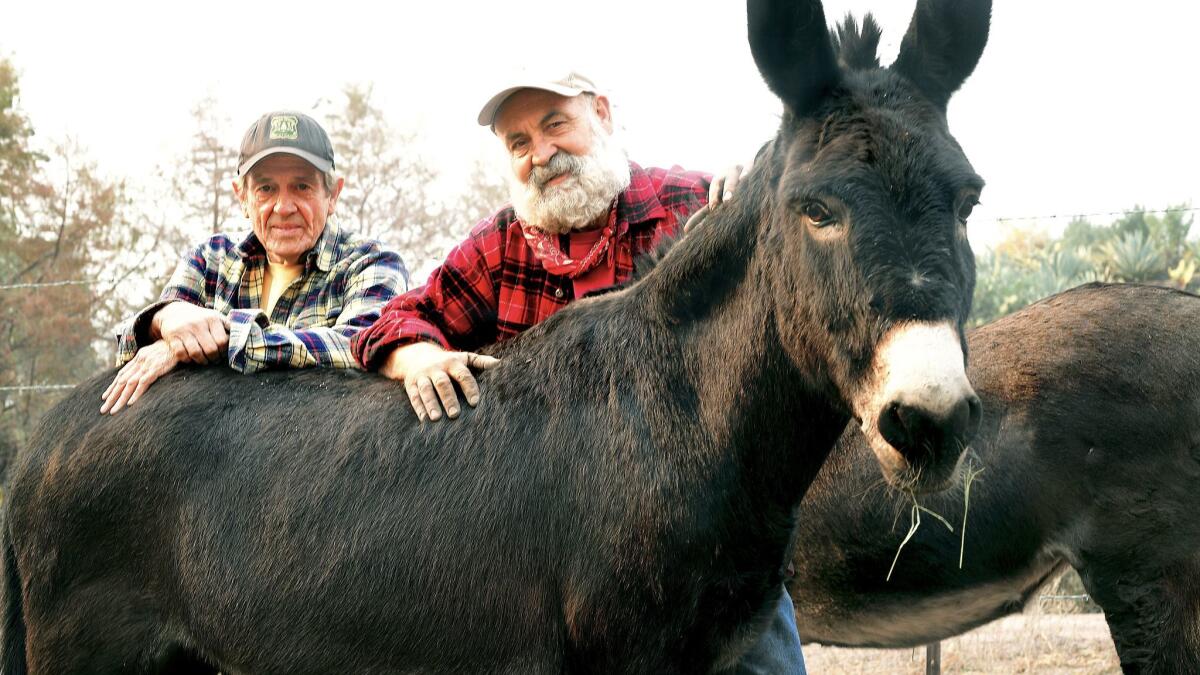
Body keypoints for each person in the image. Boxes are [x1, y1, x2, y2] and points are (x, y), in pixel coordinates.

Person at [351, 72, 806, 675]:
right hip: (556, 556)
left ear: (602, 114)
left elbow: (799, 261)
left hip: (706, 543)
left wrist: (754, 199)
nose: (542, 154)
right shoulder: (498, 248)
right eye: (519, 143)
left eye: (555, 125)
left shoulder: (691, 206)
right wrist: (420, 358)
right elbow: (395, 321)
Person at [102, 110, 408, 414]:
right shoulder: (210, 260)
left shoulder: (373, 264)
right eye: (266, 188)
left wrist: (225, 337)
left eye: (302, 186)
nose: (284, 207)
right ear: (242, 197)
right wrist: (165, 320)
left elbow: (363, 346)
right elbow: (136, 353)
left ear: (333, 195)